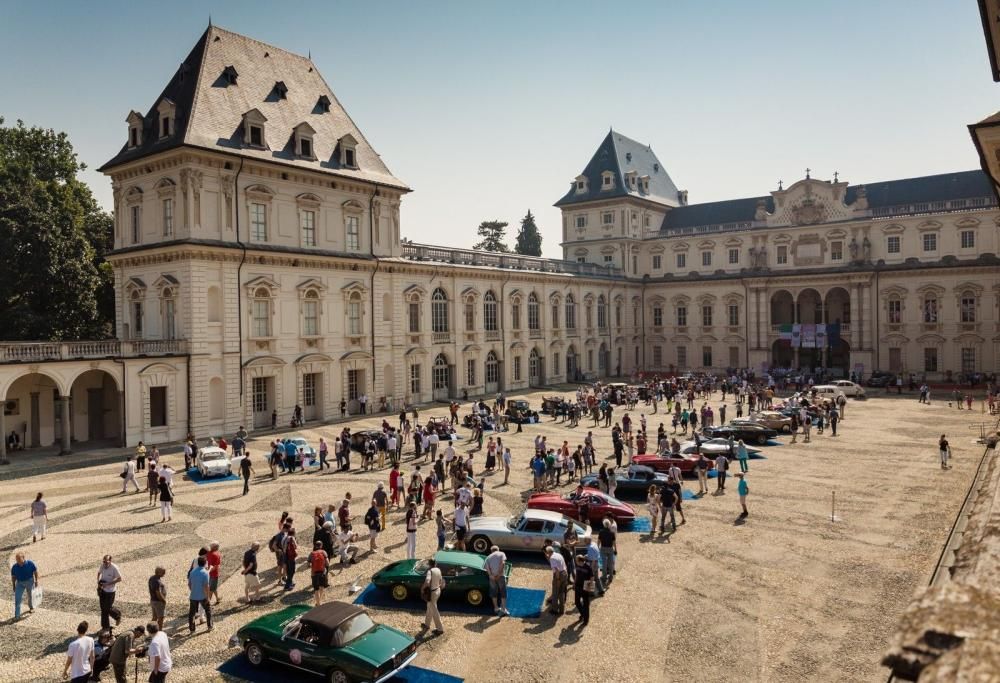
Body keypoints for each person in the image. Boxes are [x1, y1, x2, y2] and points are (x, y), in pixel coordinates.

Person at [187, 556, 212, 633]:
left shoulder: (192, 572)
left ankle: (192, 629)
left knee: (192, 613)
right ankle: (209, 626)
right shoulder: (205, 573)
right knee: (208, 611)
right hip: (203, 596)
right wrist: (207, 597)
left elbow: (189, 584)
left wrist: (193, 590)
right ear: (205, 563)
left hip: (193, 596)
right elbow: (206, 586)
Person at [97, 555, 123, 630]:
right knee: (103, 609)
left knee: (108, 608)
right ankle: (105, 627)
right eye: (104, 561)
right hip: (102, 590)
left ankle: (117, 615)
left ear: (110, 561)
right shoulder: (102, 566)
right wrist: (98, 581)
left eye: (106, 562)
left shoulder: (114, 568)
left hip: (110, 591)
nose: (105, 563)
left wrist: (108, 584)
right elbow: (99, 573)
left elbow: (120, 579)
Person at [11, 552, 38, 619]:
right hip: (19, 583)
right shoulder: (14, 567)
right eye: (17, 560)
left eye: (19, 560)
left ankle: (31, 607)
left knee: (30, 596)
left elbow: (35, 571)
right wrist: (14, 585)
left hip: (29, 582)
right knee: (17, 598)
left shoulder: (30, 563)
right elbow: (13, 577)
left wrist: (36, 580)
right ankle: (17, 616)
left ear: (23, 558)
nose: (18, 562)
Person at [422, 557, 445, 635]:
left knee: (434, 610)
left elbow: (427, 582)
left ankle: (440, 629)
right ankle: (427, 624)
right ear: (435, 563)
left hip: (432, 593)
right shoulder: (438, 570)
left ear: (429, 564)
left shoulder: (430, 571)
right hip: (437, 590)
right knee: (430, 607)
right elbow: (441, 581)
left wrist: (423, 588)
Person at [485, 545, 509, 616]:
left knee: (493, 592)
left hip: (492, 577)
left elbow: (487, 567)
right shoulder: (502, 553)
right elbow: (503, 563)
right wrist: (499, 574)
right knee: (503, 592)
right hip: (500, 576)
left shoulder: (488, 557)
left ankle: (496, 608)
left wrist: (491, 575)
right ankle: (503, 609)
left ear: (491, 551)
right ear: (498, 550)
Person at [545, 546, 568, 615]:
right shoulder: (558, 554)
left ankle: (554, 610)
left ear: (548, 552)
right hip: (565, 573)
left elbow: (557, 570)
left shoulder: (552, 558)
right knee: (561, 592)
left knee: (555, 592)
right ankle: (561, 609)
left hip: (559, 576)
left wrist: (557, 579)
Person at [573, 554, 595, 627]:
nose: (575, 561)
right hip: (578, 586)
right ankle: (583, 614)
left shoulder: (588, 567)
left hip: (585, 587)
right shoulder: (577, 566)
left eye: (576, 560)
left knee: (586, 605)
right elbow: (576, 575)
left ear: (580, 560)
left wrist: (590, 589)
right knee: (577, 602)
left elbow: (592, 578)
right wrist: (574, 583)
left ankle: (586, 620)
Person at [597, 519, 616, 589]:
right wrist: (616, 549)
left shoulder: (601, 532)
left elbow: (598, 541)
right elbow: (614, 542)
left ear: (604, 524)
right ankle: (611, 577)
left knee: (604, 564)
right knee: (610, 563)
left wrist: (597, 547)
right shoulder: (612, 533)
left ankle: (604, 577)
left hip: (603, 548)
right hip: (610, 549)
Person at [309, 541, 329, 606]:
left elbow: (308, 564)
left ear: (315, 546)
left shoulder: (311, 554)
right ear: (321, 545)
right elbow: (327, 563)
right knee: (322, 586)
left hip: (314, 573)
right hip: (322, 572)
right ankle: (319, 601)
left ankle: (318, 603)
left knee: (316, 589)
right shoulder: (323, 552)